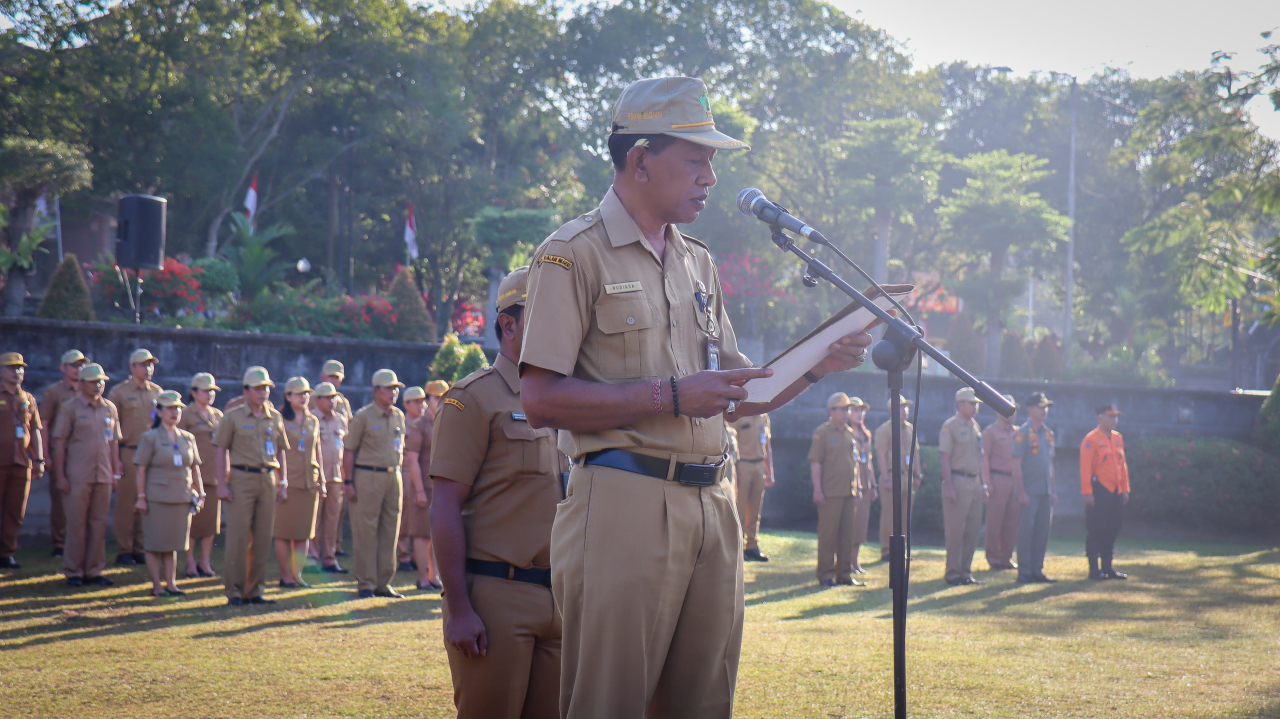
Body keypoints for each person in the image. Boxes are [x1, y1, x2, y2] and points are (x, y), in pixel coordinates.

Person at [518, 76, 873, 718]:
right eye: (696, 158)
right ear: (639, 159)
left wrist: (822, 364)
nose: (710, 175)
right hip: (623, 501)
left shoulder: (697, 262)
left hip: (714, 504)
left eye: (713, 160)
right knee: (609, 703)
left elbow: (741, 393)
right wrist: (672, 395)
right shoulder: (571, 256)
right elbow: (540, 400)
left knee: (703, 703)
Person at [430, 266, 562, 718]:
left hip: (560, 596)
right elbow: (445, 504)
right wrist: (459, 608)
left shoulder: (567, 402)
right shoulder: (473, 399)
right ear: (509, 324)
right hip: (495, 596)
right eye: (546, 316)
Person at [213, 367, 289, 606]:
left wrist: (283, 481)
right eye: (258, 388)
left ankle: (255, 590)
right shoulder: (233, 417)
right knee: (237, 537)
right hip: (241, 478)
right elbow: (220, 449)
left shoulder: (275, 417)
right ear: (246, 391)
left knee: (263, 537)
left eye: (266, 388)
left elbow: (281, 452)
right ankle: (234, 591)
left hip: (268, 479)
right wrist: (222, 484)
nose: (263, 392)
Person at [53, 363, 121, 586]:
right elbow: (60, 443)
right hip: (78, 476)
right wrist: (61, 476)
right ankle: (73, 571)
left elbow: (113, 443)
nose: (99, 385)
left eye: (101, 381)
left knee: (99, 523)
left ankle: (93, 570)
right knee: (76, 524)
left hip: (102, 475)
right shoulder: (70, 407)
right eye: (93, 381)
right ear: (81, 383)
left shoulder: (109, 408)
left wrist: (115, 471)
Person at [343, 369, 407, 599]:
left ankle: (383, 582)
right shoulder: (363, 416)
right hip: (368, 476)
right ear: (376, 390)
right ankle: (366, 583)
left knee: (390, 530)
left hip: (393, 476)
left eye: (396, 388)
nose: (394, 392)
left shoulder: (399, 415)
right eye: (389, 388)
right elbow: (349, 450)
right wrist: (348, 481)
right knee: (365, 530)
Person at [134, 390, 204, 597]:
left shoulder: (187, 437)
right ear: (159, 411)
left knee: (173, 544)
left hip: (181, 496)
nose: (175, 412)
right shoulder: (150, 437)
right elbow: (141, 469)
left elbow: (195, 468)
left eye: (178, 409)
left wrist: (200, 494)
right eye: (170, 408)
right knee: (155, 543)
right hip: (157, 497)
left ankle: (171, 584)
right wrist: (141, 498)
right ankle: (157, 585)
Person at [108, 348, 163, 565]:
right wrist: (116, 460)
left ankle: (140, 547)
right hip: (129, 452)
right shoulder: (119, 393)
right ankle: (124, 549)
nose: (148, 368)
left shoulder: (158, 392)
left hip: (152, 454)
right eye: (143, 364)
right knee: (126, 504)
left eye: (150, 364)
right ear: (132, 367)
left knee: (147, 502)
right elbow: (112, 429)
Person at [273, 377, 324, 588]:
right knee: (284, 532)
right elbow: (276, 451)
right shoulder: (279, 420)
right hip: (288, 482)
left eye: (306, 394)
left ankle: (297, 575)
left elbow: (317, 450)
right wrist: (279, 481)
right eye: (298, 393)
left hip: (308, 483)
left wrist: (321, 479)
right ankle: (285, 575)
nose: (303, 397)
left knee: (304, 533)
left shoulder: (313, 421)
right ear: (288, 396)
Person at [808, 393, 863, 588]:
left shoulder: (850, 433)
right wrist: (817, 491)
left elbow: (854, 463)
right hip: (830, 493)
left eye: (848, 409)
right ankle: (825, 575)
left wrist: (858, 487)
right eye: (843, 409)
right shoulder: (822, 432)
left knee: (847, 536)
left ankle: (844, 575)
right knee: (828, 537)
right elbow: (816, 463)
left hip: (849, 493)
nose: (847, 412)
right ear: (832, 411)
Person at [39, 349, 88, 557]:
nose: (78, 369)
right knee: (60, 499)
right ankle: (59, 543)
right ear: (63, 368)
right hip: (61, 452)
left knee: (83, 499)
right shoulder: (54, 392)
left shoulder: (89, 390)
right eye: (74, 365)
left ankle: (80, 541)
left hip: (83, 454)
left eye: (81, 365)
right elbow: (43, 424)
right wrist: (45, 455)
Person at [0, 352, 45, 569]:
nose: (17, 372)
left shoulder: (28, 399)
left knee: (15, 511)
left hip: (21, 462)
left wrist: (40, 459)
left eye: (20, 368)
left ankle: (7, 553)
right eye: (11, 368)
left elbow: (35, 430)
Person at [940, 387, 987, 586]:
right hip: (958, 480)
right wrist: (949, 485)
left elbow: (980, 457)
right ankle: (953, 572)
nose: (975, 406)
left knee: (973, 529)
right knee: (955, 530)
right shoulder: (950, 426)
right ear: (960, 405)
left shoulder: (975, 426)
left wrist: (983, 483)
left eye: (976, 403)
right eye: (971, 403)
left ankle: (965, 572)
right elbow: (944, 456)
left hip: (974, 481)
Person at [179, 373, 223, 578]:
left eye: (212, 391)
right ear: (194, 392)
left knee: (209, 524)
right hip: (192, 475)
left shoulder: (218, 416)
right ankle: (189, 563)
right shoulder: (186, 414)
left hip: (213, 476)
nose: (210, 394)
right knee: (191, 523)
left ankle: (204, 562)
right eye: (206, 391)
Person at [1080, 404, 1130, 581]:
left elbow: (1122, 466)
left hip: (1115, 490)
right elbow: (1085, 468)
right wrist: (1087, 492)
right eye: (1110, 416)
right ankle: (1094, 569)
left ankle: (1107, 567)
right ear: (1100, 417)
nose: (1114, 420)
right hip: (1099, 489)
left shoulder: (1117, 438)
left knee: (1112, 528)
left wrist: (1125, 488)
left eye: (1116, 416)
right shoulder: (1091, 439)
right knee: (1096, 529)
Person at [398, 385, 440, 590]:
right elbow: (412, 460)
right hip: (424, 486)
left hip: (439, 487)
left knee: (436, 534)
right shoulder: (420, 426)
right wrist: (420, 490)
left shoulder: (444, 424)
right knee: (421, 534)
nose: (440, 402)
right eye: (436, 398)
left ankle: (434, 576)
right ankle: (423, 578)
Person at [1014, 392, 1057, 584]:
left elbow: (1050, 464)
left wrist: (1053, 490)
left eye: (1046, 407)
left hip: (1045, 490)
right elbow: (1016, 464)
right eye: (1040, 407)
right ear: (1030, 409)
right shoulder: (1022, 432)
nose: (1044, 411)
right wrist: (1021, 492)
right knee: (1026, 531)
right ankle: (1024, 571)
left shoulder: (1048, 433)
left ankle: (1036, 570)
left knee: (1042, 532)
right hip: (1030, 491)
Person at [309, 381, 349, 573]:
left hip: (336, 478)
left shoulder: (341, 420)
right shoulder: (311, 420)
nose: (331, 401)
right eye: (327, 397)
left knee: (333, 520)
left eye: (333, 397)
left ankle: (330, 558)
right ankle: (311, 557)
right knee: (313, 519)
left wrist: (346, 478)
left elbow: (345, 449)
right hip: (317, 477)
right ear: (317, 400)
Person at [875, 395, 921, 561]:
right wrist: (886, 478)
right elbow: (880, 455)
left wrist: (917, 474)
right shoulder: (884, 430)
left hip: (906, 477)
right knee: (889, 514)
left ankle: (902, 550)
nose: (905, 411)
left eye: (906, 408)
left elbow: (915, 453)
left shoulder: (910, 429)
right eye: (901, 407)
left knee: (905, 515)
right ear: (892, 410)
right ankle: (887, 550)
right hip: (892, 475)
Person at [981, 395, 1021, 571]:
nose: (1012, 414)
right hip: (998, 479)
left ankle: (1007, 557)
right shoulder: (990, 432)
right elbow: (984, 459)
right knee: (994, 521)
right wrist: (987, 482)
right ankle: (994, 558)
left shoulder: (1019, 432)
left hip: (1015, 480)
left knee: (1012, 521)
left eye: (1014, 410)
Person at [730, 411, 775, 562]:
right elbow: (731, 442)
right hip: (743, 464)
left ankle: (752, 546)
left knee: (755, 509)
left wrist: (770, 471)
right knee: (739, 509)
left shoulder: (764, 416)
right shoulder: (738, 415)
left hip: (759, 465)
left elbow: (767, 445)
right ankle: (737, 546)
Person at [846, 397, 875, 575]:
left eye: (862, 411)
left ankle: (855, 561)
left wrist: (873, 485)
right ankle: (845, 562)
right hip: (850, 485)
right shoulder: (846, 433)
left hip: (864, 485)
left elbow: (868, 461)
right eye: (856, 410)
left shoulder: (866, 435)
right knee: (849, 525)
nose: (860, 414)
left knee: (860, 526)